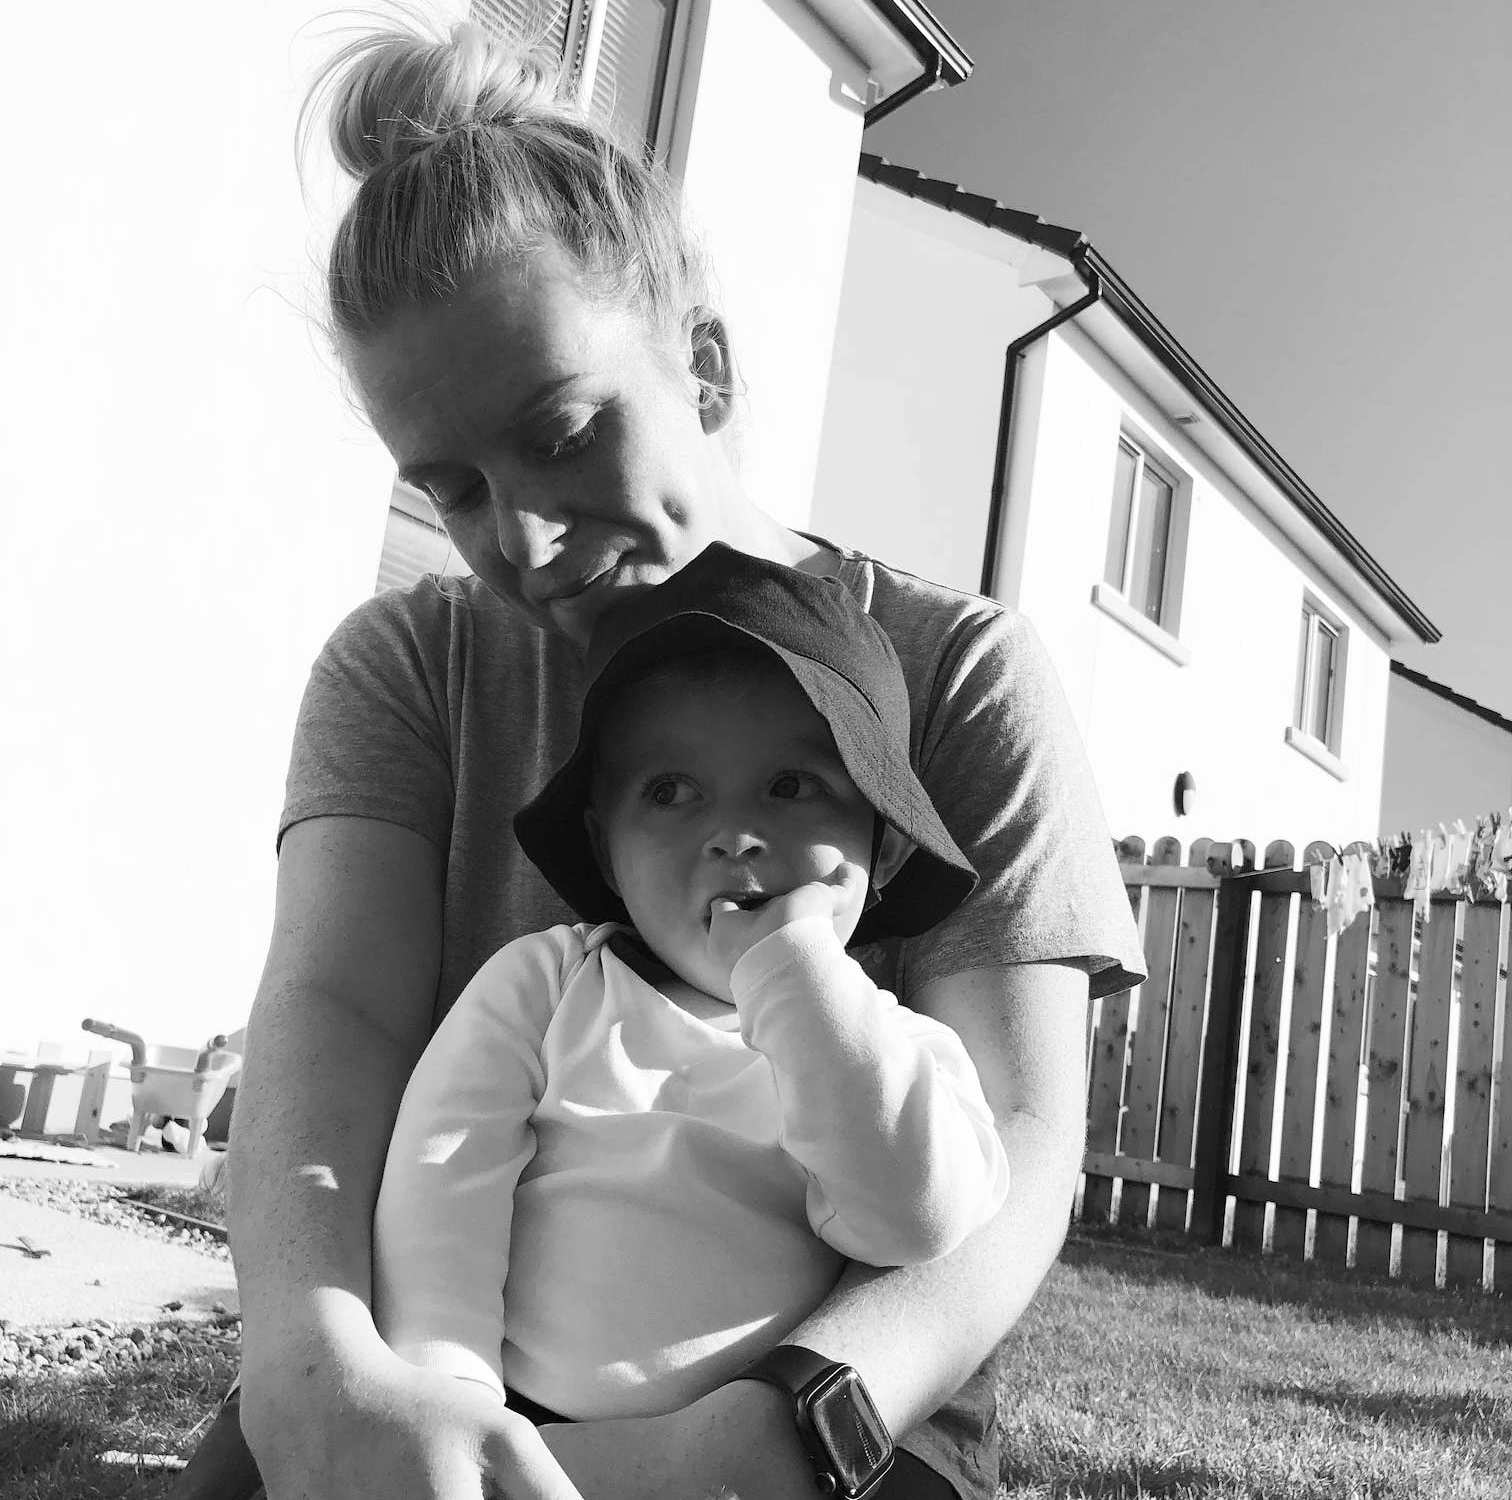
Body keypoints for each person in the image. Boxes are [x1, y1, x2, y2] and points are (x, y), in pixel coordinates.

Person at [177, 16, 1145, 1500]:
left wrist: (787, 1426)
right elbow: (332, 1013)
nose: (522, 540)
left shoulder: (958, 669)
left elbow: (1020, 1145)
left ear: (703, 365)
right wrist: (320, 1375)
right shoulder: (412, 664)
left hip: (840, 1415)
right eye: (451, 490)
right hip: (460, 1378)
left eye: (564, 434)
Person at [373, 542, 1011, 1432]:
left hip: (752, 1460)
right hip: (516, 1421)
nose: (735, 834)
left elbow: (913, 1221)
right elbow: (443, 1181)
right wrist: (448, 1395)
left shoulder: (902, 1054)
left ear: (887, 842)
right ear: (604, 849)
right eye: (670, 791)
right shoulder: (548, 984)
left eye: (791, 785)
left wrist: (799, 977)